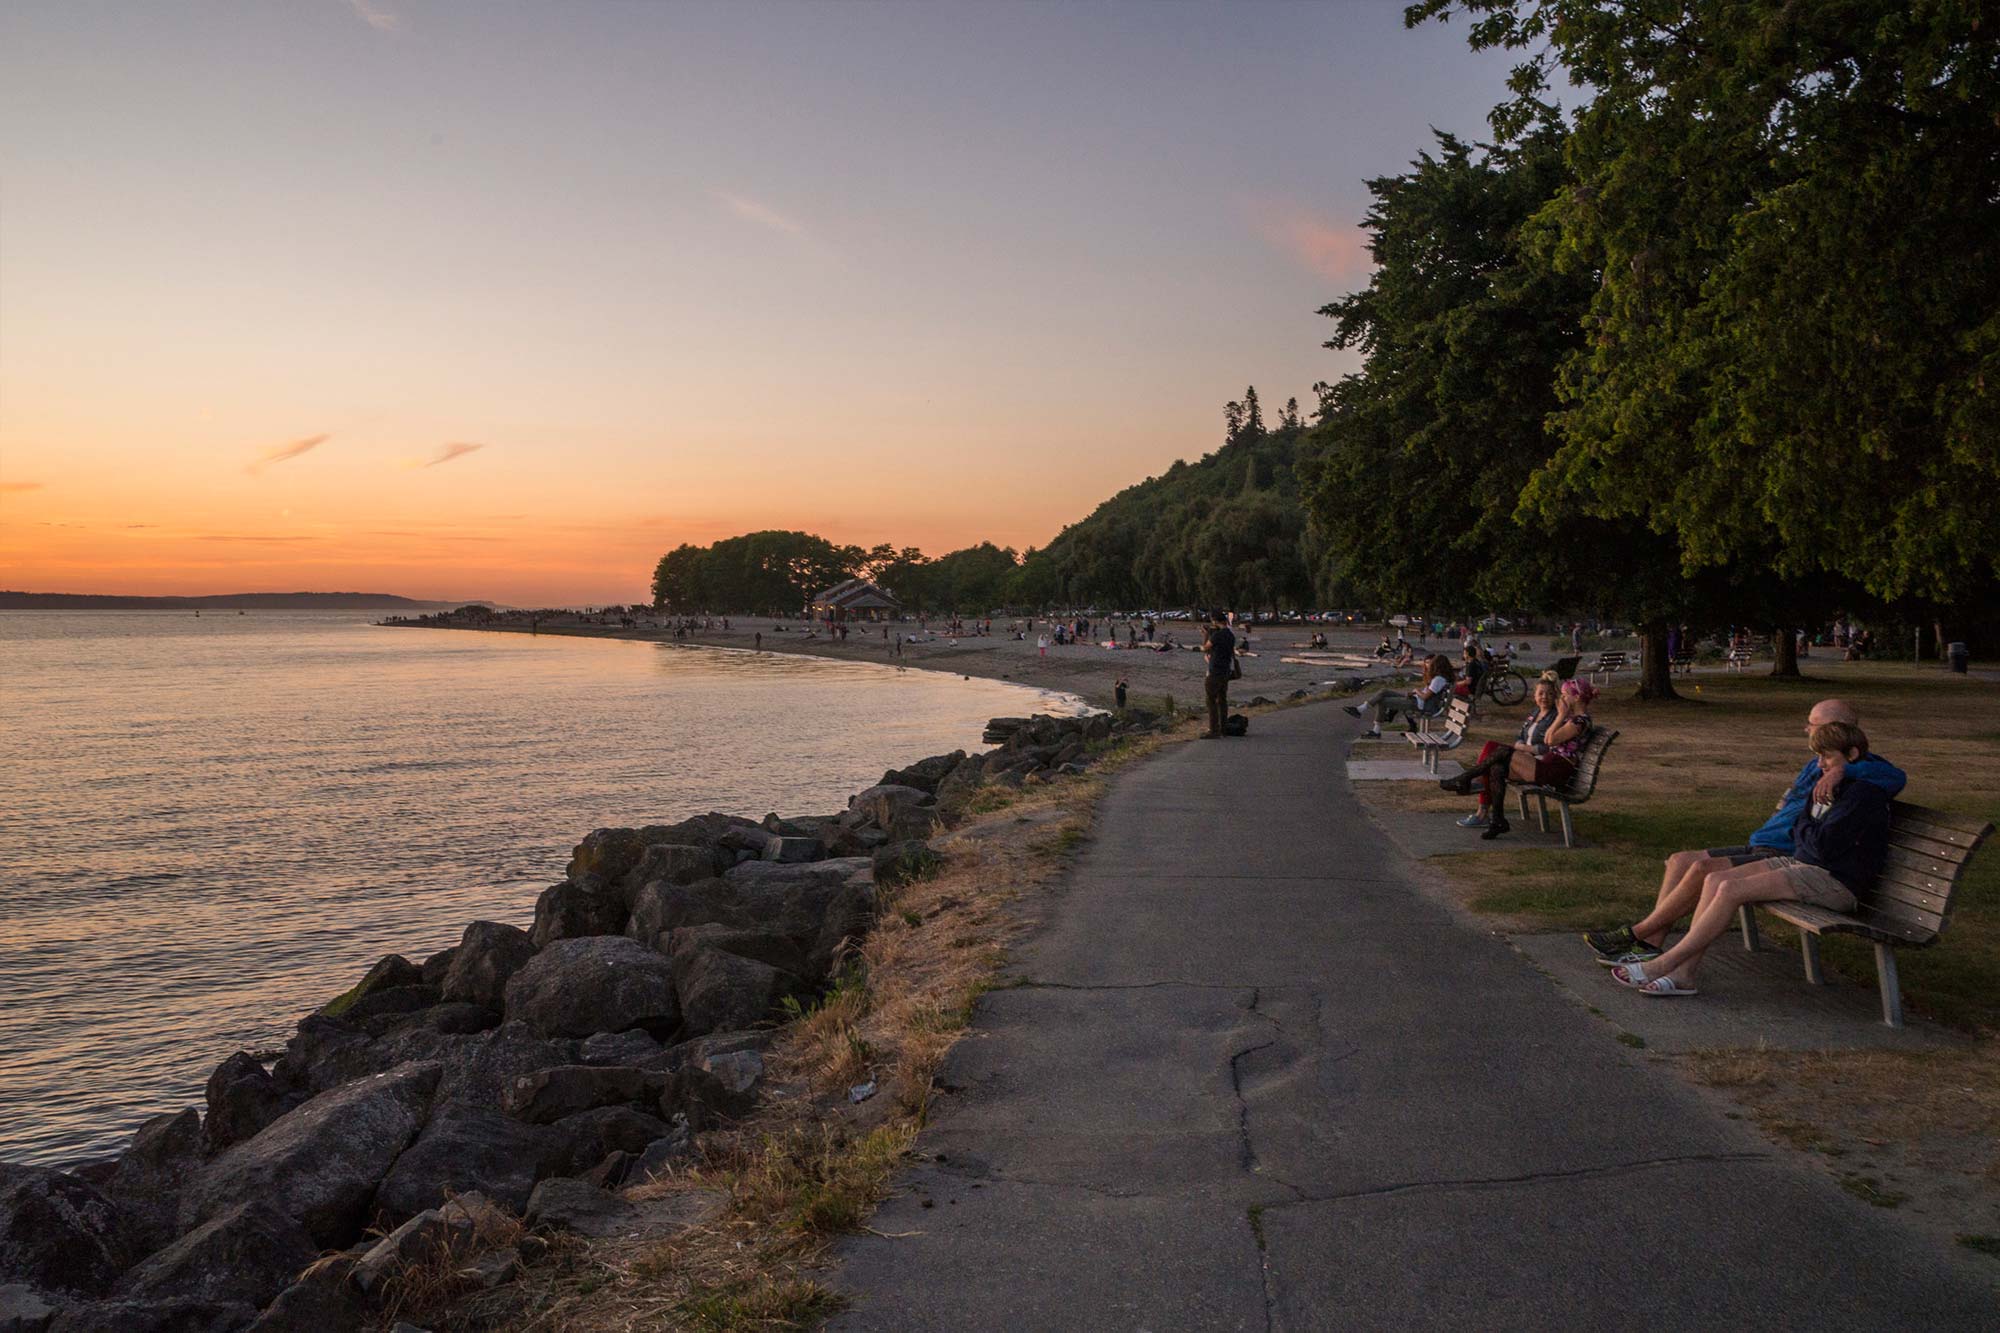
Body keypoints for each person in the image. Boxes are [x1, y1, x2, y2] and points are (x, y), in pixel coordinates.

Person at [1583, 698, 1906, 967]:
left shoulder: (1860, 768)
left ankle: (1638, 934)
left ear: (1843, 732)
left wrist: (1844, 770)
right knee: (1680, 860)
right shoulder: (1818, 764)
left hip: (1785, 853)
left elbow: (1894, 777)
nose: (1807, 730)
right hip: (1765, 844)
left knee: (1702, 870)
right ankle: (1651, 943)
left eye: (1814, 724)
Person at [1442, 677, 1594, 840]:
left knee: (1501, 751)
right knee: (1497, 768)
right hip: (1549, 764)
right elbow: (1548, 738)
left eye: (1565, 695)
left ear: (1576, 697)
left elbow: (1549, 740)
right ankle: (1498, 820)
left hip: (1556, 771)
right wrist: (1562, 716)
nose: (1561, 699)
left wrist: (1561, 715)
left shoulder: (1580, 721)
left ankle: (1466, 778)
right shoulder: (1572, 718)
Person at [1343, 654, 1455, 739]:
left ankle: (1375, 730)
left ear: (1438, 665)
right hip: (1417, 701)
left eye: (1433, 663)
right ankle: (1360, 709)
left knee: (1383, 701)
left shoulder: (1438, 680)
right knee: (1384, 691)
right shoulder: (1440, 679)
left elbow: (1425, 697)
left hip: (1419, 704)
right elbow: (1428, 695)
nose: (1431, 665)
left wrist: (1416, 691)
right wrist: (1416, 693)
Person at [1200, 609, 1236, 739]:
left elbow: (1205, 647)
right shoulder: (1230, 635)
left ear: (1215, 621)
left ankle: (1214, 730)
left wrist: (1205, 634)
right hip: (1226, 670)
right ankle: (1223, 727)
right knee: (1222, 700)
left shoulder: (1217, 636)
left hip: (1215, 671)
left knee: (1210, 700)